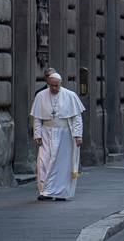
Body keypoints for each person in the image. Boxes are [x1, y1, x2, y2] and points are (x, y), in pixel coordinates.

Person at [30, 73, 85, 201]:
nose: (54, 88)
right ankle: (45, 191)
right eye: (52, 86)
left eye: (57, 86)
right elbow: (37, 118)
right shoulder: (41, 96)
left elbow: (77, 118)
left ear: (60, 84)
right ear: (48, 83)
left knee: (62, 164)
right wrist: (37, 134)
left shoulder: (70, 95)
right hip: (46, 132)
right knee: (43, 162)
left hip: (64, 134)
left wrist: (78, 135)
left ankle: (61, 192)